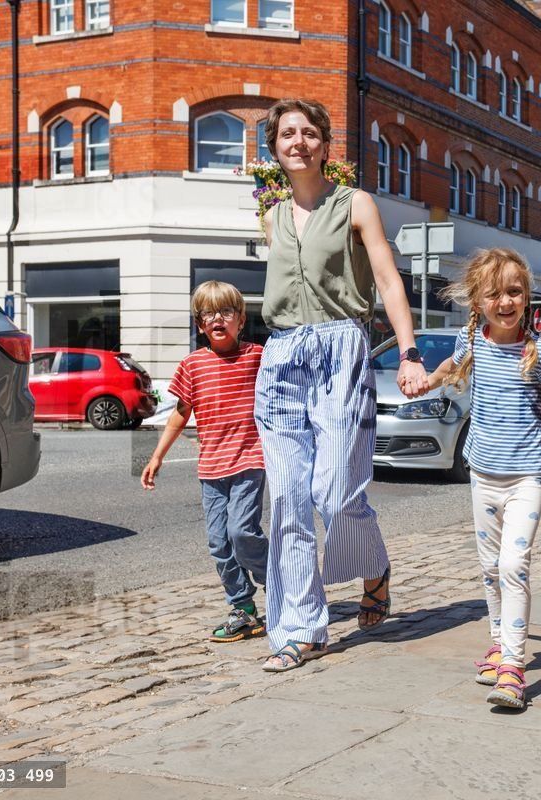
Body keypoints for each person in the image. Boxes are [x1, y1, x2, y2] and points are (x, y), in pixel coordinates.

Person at [255, 98, 429, 672]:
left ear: (326, 146)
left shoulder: (356, 204)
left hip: (339, 350)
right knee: (287, 499)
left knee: (334, 490)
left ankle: (372, 566)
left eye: (309, 133)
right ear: (275, 147)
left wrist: (408, 352)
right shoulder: (272, 214)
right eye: (287, 134)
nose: (298, 142)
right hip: (281, 356)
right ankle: (301, 629)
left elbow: (385, 276)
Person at [427, 248, 541, 709]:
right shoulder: (474, 343)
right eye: (494, 294)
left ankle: (514, 668)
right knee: (489, 569)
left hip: (525, 476)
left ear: (527, 297)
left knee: (512, 568)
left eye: (514, 292)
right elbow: (449, 368)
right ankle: (498, 642)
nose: (505, 302)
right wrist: (423, 381)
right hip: (482, 473)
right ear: (478, 301)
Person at [141, 281, 268, 643]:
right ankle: (242, 609)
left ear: (240, 320)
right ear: (199, 325)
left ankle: (280, 582)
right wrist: (156, 457)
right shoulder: (192, 366)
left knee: (242, 533)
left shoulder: (257, 357)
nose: (218, 319)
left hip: (249, 459)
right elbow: (181, 415)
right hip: (211, 467)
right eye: (209, 314)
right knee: (219, 543)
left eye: (226, 312)